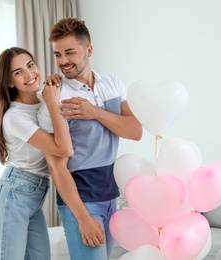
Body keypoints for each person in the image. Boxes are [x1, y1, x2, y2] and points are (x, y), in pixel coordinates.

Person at [37, 17, 143, 259]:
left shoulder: (112, 84)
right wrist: (82, 218)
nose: (63, 61)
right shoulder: (56, 97)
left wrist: (94, 112)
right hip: (82, 200)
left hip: (110, 195)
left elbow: (134, 131)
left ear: (89, 50)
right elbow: (56, 166)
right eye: (57, 54)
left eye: (70, 52)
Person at [0, 47, 74, 260]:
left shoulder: (43, 103)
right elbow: (64, 149)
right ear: (9, 82)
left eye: (30, 65)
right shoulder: (14, 117)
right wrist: (51, 101)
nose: (29, 74)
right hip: (12, 196)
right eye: (18, 72)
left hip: (32, 197)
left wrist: (53, 93)